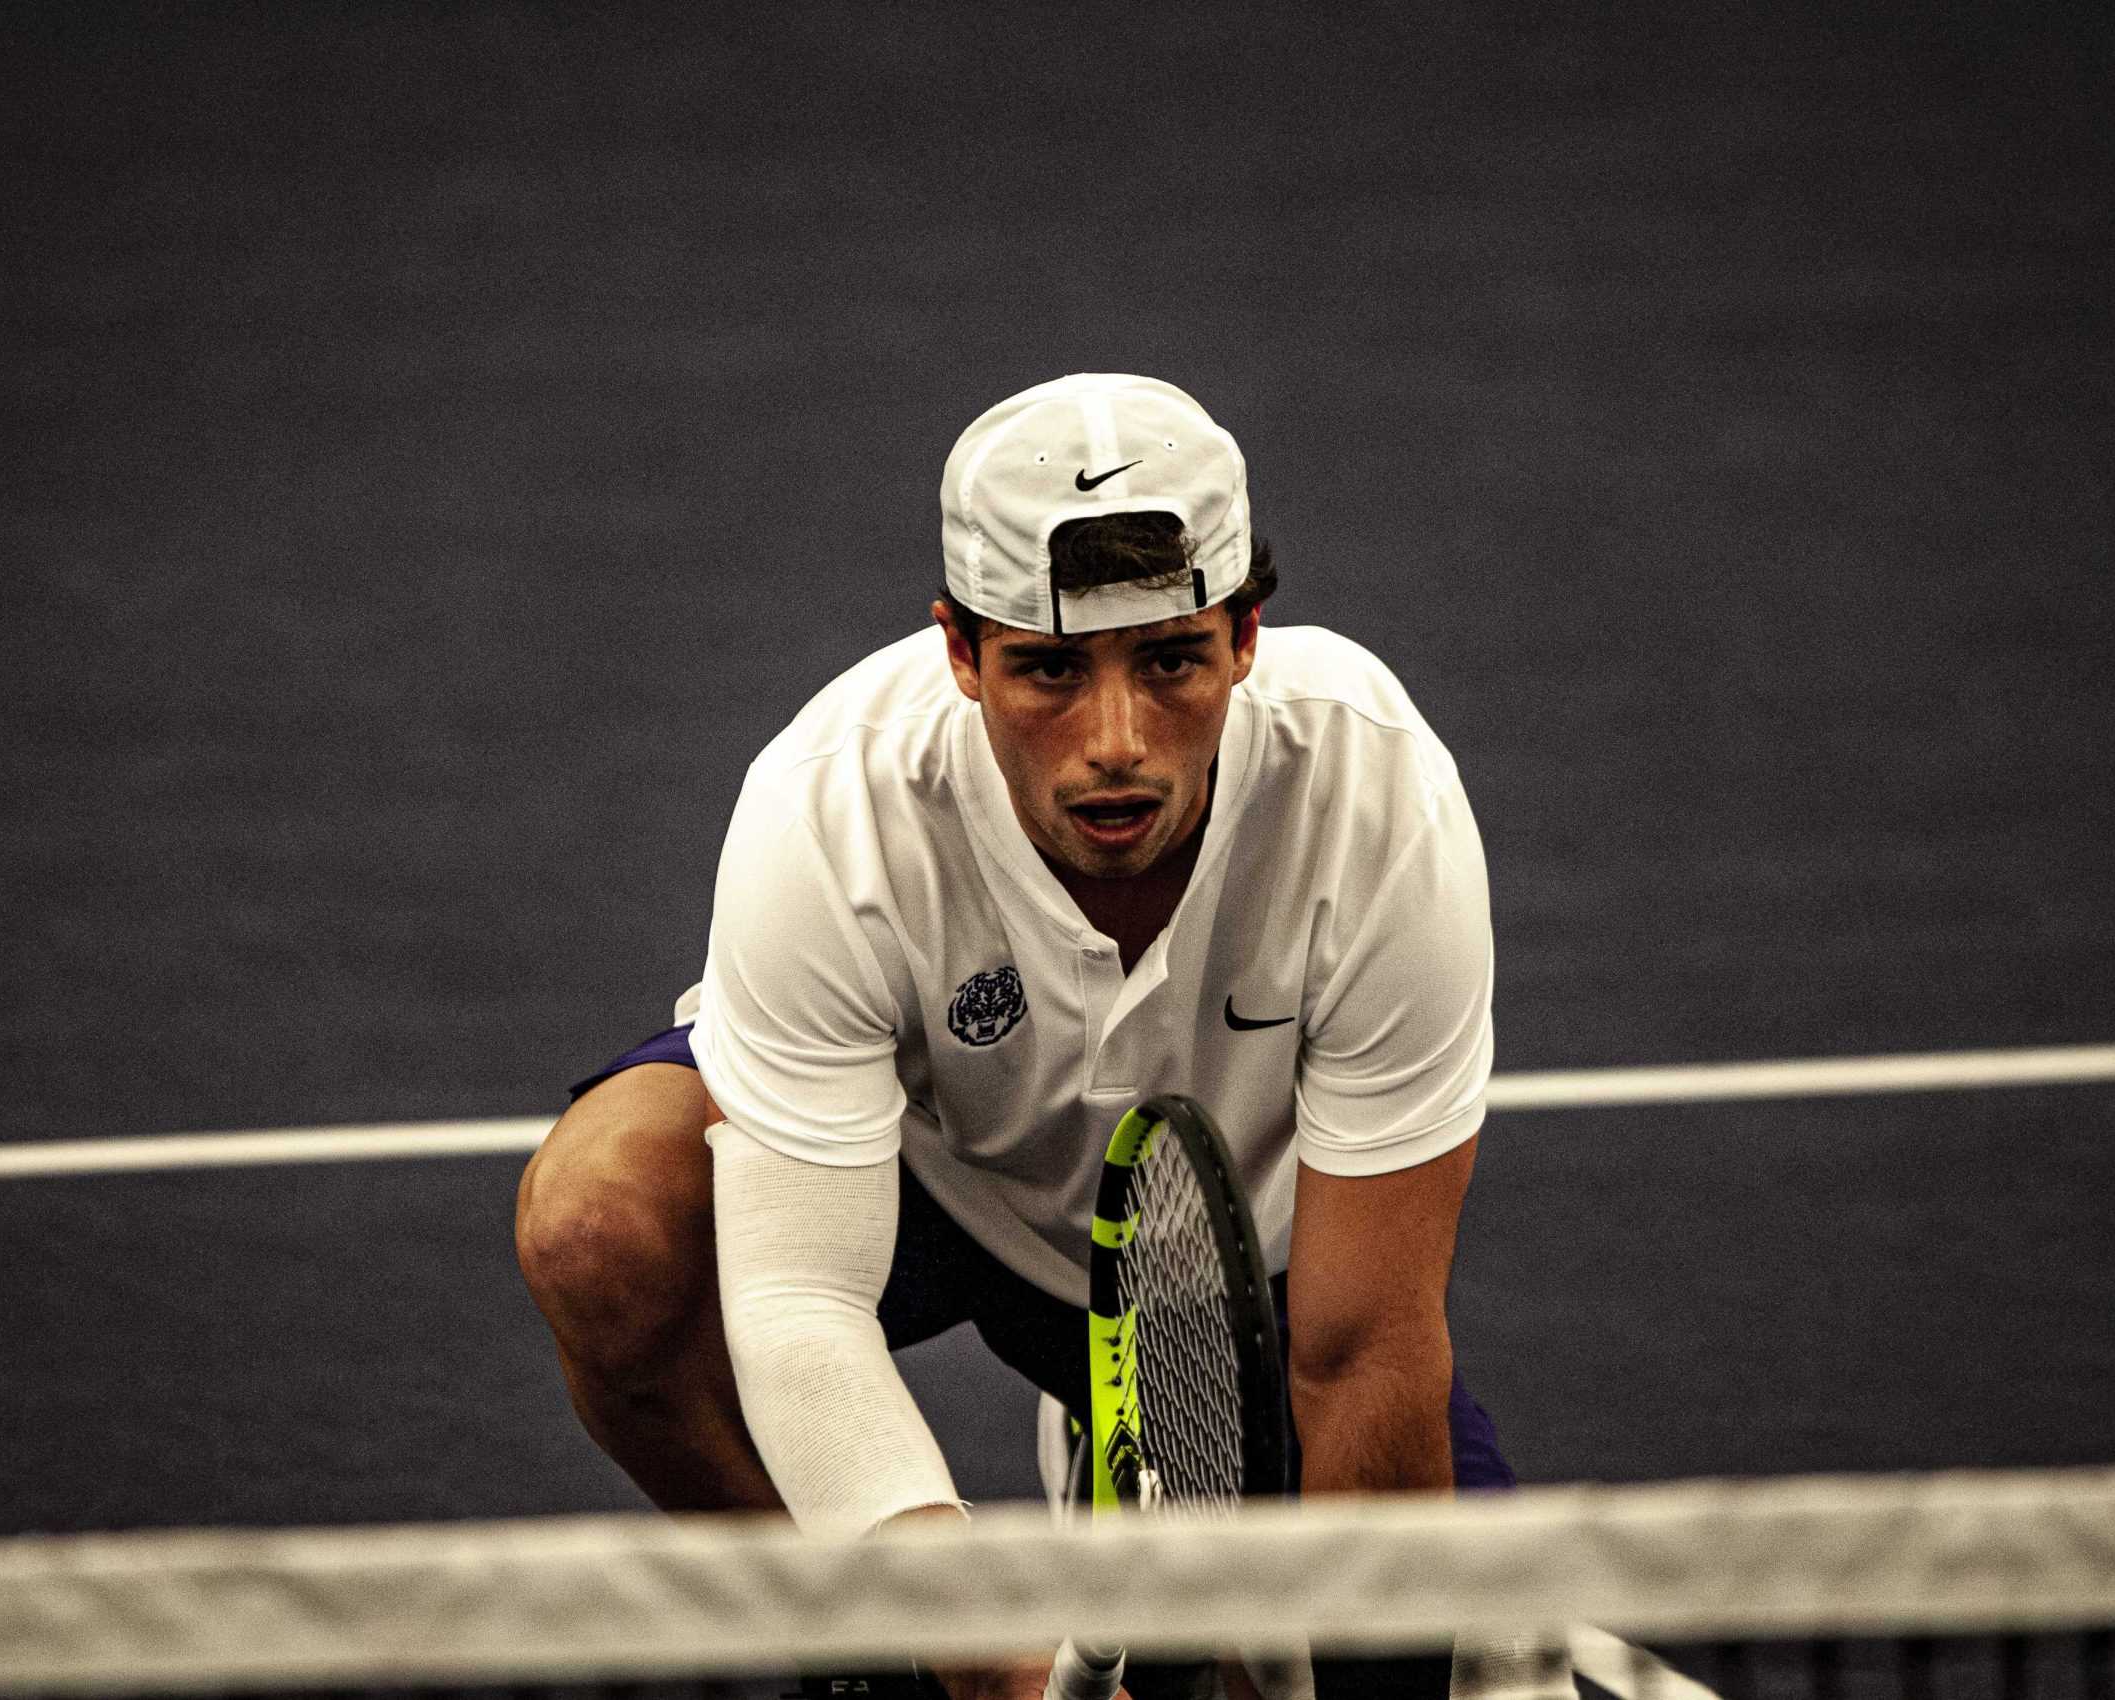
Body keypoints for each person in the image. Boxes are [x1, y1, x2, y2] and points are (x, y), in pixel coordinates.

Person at [517, 373, 1511, 1699]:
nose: (1116, 745)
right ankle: (866, 1657)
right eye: (1048, 669)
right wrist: (982, 1651)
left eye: (1171, 660)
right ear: (960, 653)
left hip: (1238, 1292)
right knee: (600, 1224)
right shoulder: (834, 809)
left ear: (1247, 638)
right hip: (929, 1193)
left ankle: (1128, 1460)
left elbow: (1362, 1346)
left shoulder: (1374, 790)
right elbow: (801, 1306)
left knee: (1451, 1664)